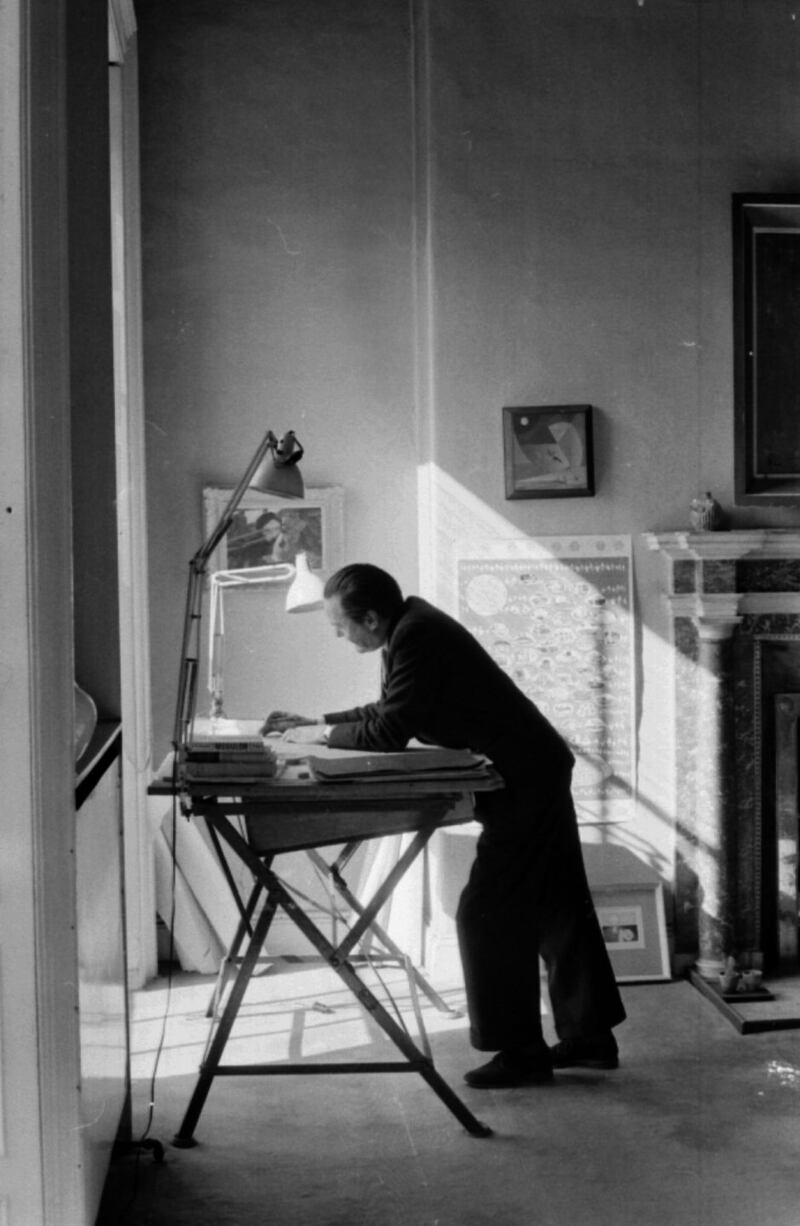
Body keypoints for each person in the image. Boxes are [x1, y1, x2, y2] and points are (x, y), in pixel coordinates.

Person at [265, 563, 626, 1089]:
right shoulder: (408, 625)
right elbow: (393, 709)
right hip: (532, 767)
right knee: (555, 901)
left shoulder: (417, 634)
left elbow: (389, 730)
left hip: (522, 778)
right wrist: (317, 725)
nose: (340, 637)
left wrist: (315, 742)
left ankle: (522, 1052)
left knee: (484, 912)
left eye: (340, 627)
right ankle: (589, 1037)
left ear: (369, 617)